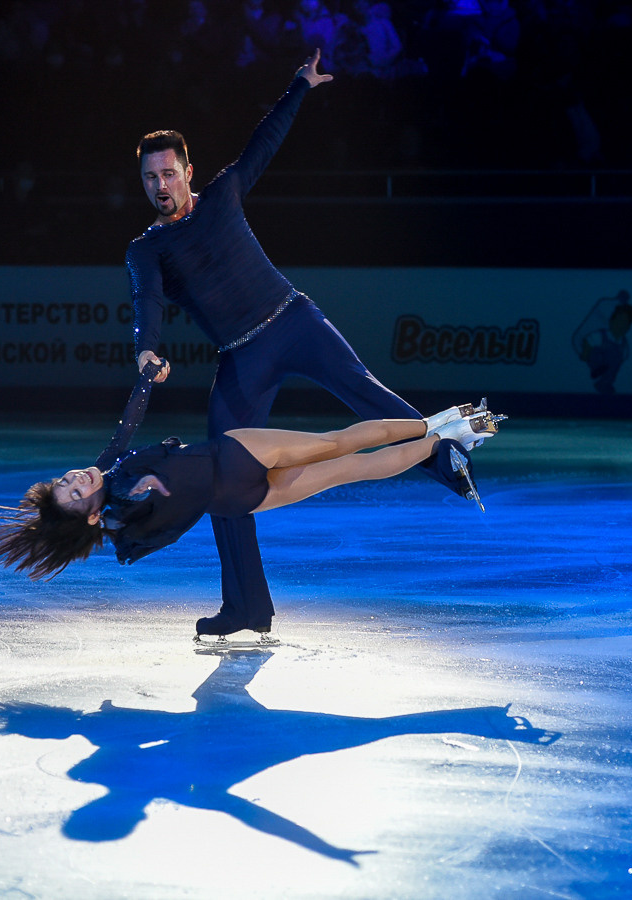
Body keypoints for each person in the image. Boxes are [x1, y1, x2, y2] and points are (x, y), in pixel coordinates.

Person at [125, 49, 477, 641]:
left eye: (168, 173)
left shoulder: (224, 194)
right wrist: (146, 350)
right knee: (223, 479)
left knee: (368, 396)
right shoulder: (146, 250)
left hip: (293, 320)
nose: (161, 186)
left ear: (189, 170)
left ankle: (448, 456)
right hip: (242, 356)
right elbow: (147, 303)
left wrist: (300, 86)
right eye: (149, 178)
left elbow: (263, 143)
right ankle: (245, 608)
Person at [0, 400, 504, 596]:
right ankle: (440, 425)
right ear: (90, 512)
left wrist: (145, 377)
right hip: (235, 459)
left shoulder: (116, 499)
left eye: (69, 479)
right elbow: (149, 503)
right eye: (76, 491)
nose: (77, 477)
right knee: (339, 447)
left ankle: (444, 437)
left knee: (349, 469)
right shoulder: (121, 503)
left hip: (238, 499)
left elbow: (127, 426)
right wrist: (142, 495)